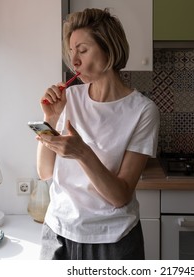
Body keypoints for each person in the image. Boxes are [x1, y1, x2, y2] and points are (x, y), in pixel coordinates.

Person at [35, 8, 160, 260]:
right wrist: (50, 119)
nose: (74, 61)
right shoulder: (68, 98)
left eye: (82, 50)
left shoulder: (143, 111)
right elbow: (44, 171)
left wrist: (82, 152)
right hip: (58, 231)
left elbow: (120, 196)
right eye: (72, 52)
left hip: (113, 240)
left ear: (109, 49)